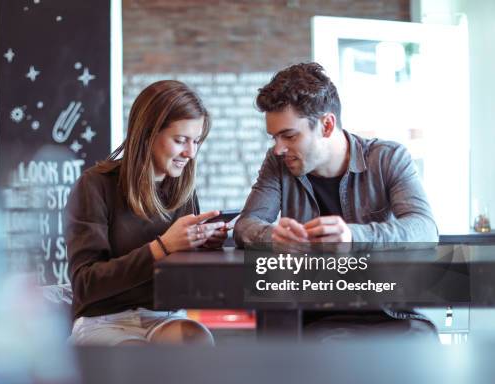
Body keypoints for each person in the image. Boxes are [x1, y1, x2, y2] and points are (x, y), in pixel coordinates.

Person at [234, 62, 439, 341]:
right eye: (274, 137)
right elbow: (245, 224)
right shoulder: (278, 163)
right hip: (317, 316)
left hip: (396, 314)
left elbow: (425, 229)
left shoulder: (387, 158)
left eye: (289, 136)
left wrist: (353, 236)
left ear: (327, 125)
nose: (279, 148)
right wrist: (272, 237)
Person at [66, 80, 227, 346]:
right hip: (104, 320)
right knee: (138, 360)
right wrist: (162, 247)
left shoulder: (183, 189)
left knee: (196, 340)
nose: (190, 153)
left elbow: (187, 282)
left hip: (166, 317)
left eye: (196, 141)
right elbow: (85, 284)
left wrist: (202, 246)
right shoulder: (95, 185)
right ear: (148, 134)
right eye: (180, 140)